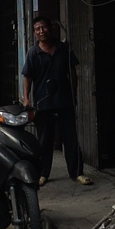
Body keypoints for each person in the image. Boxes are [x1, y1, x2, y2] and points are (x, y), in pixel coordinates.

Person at [22, 17, 93, 186]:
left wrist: (73, 94)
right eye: (38, 29)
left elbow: (72, 73)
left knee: (70, 139)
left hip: (65, 101)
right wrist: (26, 97)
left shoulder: (63, 49)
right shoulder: (33, 53)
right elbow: (27, 76)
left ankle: (77, 173)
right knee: (44, 141)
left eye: (44, 27)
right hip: (43, 103)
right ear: (34, 32)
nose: (41, 31)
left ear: (50, 29)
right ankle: (43, 174)